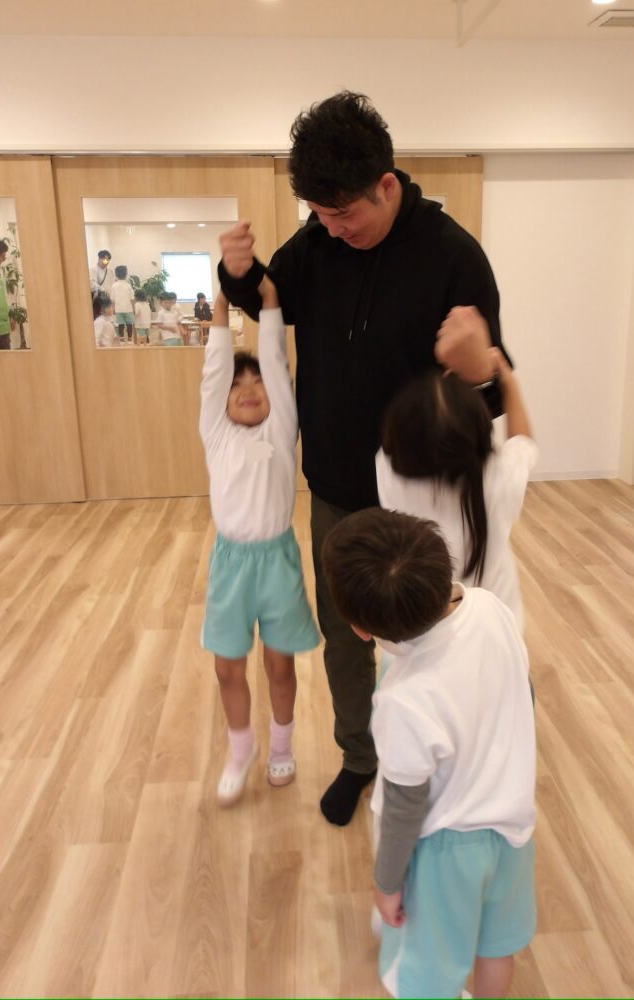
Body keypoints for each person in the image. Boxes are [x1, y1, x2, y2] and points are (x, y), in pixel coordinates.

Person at [218, 90, 507, 826]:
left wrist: (479, 368)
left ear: (386, 184)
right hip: (339, 489)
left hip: (426, 499)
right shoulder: (318, 244)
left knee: (437, 634)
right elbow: (269, 296)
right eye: (319, 215)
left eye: (344, 214)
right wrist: (238, 274)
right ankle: (359, 757)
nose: (333, 229)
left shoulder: (453, 256)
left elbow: (493, 390)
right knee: (348, 638)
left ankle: (445, 762)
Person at [322, 508, 536, 999]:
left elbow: (403, 808)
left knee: (427, 977)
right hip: (514, 828)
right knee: (495, 948)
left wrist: (386, 884)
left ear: (360, 629)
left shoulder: (404, 700)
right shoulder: (490, 607)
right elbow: (523, 692)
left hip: (445, 853)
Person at [199, 275, 319, 806]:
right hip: (230, 564)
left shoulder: (280, 428)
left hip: (276, 562)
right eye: (237, 385)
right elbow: (214, 373)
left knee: (279, 663)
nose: (248, 390)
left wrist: (270, 300)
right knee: (227, 665)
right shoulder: (217, 433)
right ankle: (241, 747)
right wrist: (223, 302)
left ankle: (282, 745)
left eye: (257, 383)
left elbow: (274, 361)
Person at [377, 346, 536, 634]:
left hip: (420, 634)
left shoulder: (388, 472)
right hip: (496, 632)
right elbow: (523, 442)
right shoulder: (497, 476)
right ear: (480, 433)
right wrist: (507, 379)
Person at [110, 265, 135, 343]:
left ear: (116, 275)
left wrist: (113, 308)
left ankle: (122, 341)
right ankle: (130, 340)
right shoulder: (128, 285)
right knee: (129, 324)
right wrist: (134, 308)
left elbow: (112, 299)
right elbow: (132, 298)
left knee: (120, 325)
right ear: (126, 274)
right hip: (128, 309)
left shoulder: (114, 285)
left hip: (118, 309)